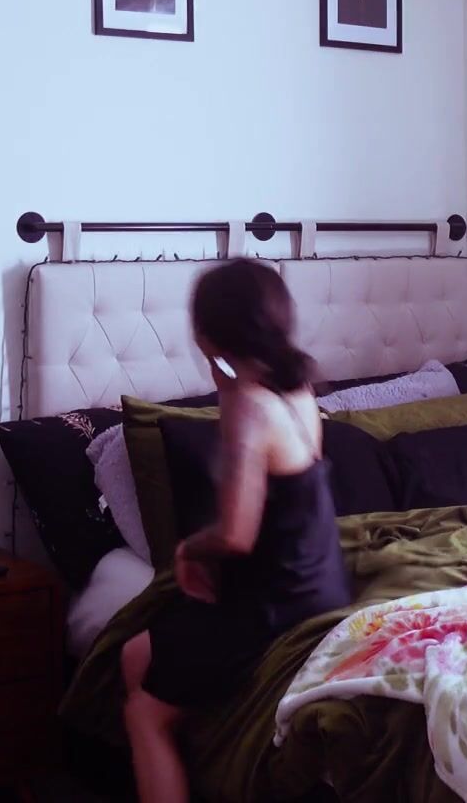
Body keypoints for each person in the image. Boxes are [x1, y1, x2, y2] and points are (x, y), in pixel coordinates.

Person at [120, 261, 350, 803]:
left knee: (144, 713)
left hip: (274, 605)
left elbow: (235, 536)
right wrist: (221, 371)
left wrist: (187, 549)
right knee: (134, 654)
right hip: (318, 584)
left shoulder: (248, 405)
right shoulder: (294, 389)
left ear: (206, 332)